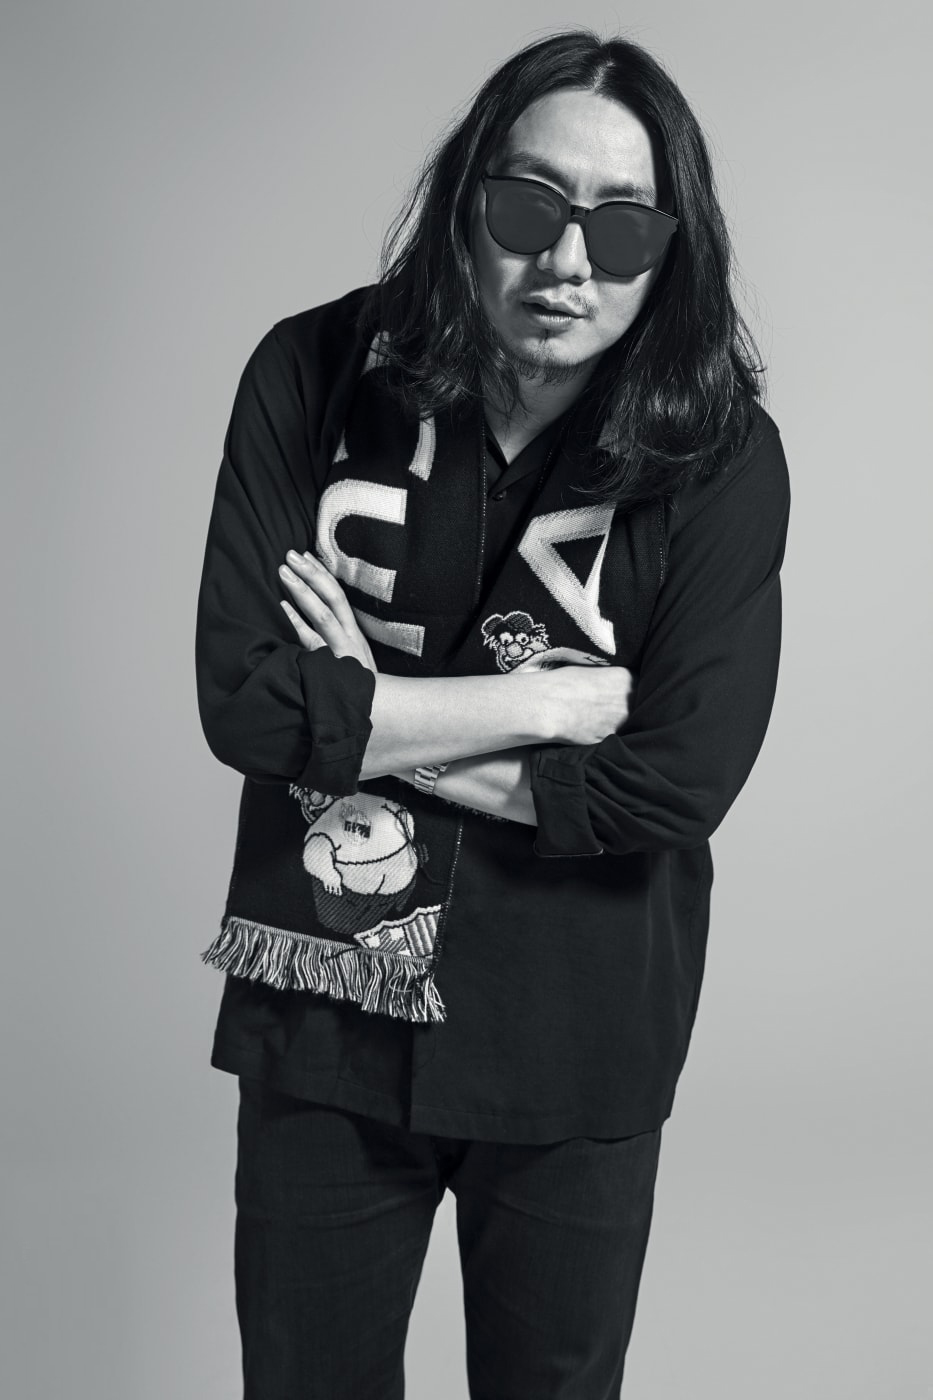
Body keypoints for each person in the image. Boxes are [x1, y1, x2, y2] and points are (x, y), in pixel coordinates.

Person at [194, 27, 790, 1400]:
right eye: (529, 209)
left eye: (623, 230)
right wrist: (537, 710)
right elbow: (245, 701)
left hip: (575, 1026)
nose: (568, 263)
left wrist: (365, 709)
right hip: (328, 1006)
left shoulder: (719, 455)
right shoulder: (310, 371)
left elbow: (667, 785)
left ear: (672, 250)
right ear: (469, 198)